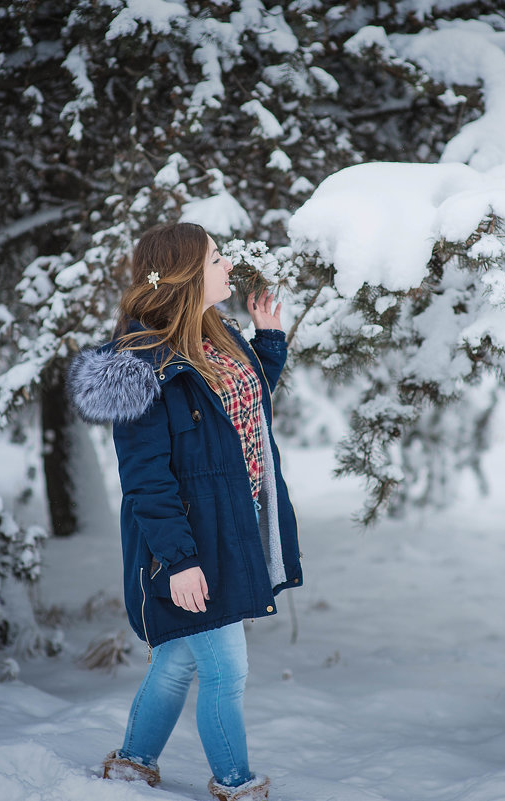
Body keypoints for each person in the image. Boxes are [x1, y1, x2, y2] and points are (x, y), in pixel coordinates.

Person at [66, 222, 302, 801]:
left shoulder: (218, 334)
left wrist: (269, 341)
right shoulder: (144, 366)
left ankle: (131, 765)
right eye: (216, 258)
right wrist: (179, 561)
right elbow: (146, 481)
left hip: (231, 524)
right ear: (184, 274)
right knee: (226, 670)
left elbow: (236, 412)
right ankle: (237, 787)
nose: (228, 266)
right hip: (191, 541)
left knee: (175, 662)